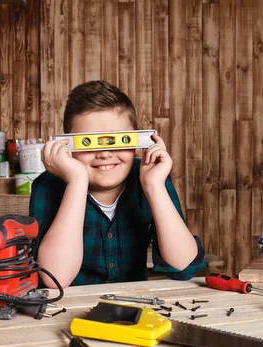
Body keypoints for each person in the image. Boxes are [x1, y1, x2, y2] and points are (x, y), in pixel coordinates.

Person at [30, 80, 206, 288]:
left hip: (131, 307)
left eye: (118, 140)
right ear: (67, 145)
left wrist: (154, 186)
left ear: (137, 142)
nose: (104, 154)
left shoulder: (152, 177)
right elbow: (55, 279)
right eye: (87, 142)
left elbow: (184, 268)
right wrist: (77, 181)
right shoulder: (48, 185)